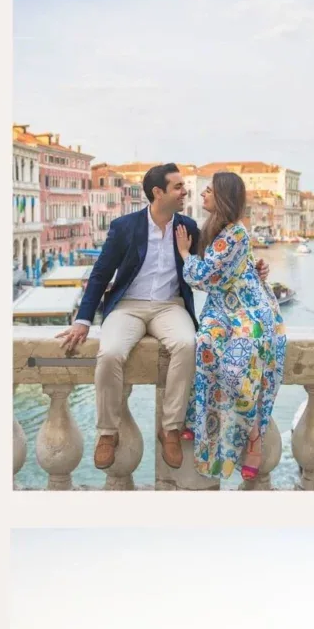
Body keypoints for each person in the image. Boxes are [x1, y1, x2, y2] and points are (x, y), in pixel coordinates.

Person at [59, 163, 199, 472]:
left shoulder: (188, 226)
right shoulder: (125, 226)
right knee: (109, 353)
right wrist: (83, 319)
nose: (184, 192)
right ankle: (107, 433)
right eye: (177, 187)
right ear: (157, 192)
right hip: (127, 306)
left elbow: (208, 267)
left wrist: (251, 271)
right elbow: (101, 274)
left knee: (187, 345)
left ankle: (171, 428)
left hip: (170, 305)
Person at [176, 170, 287, 481]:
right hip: (222, 308)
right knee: (204, 346)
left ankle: (253, 436)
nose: (202, 195)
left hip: (248, 311)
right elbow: (230, 269)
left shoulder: (236, 233)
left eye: (208, 191)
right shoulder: (216, 230)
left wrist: (185, 254)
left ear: (222, 197)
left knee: (236, 371)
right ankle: (197, 419)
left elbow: (204, 276)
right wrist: (257, 267)